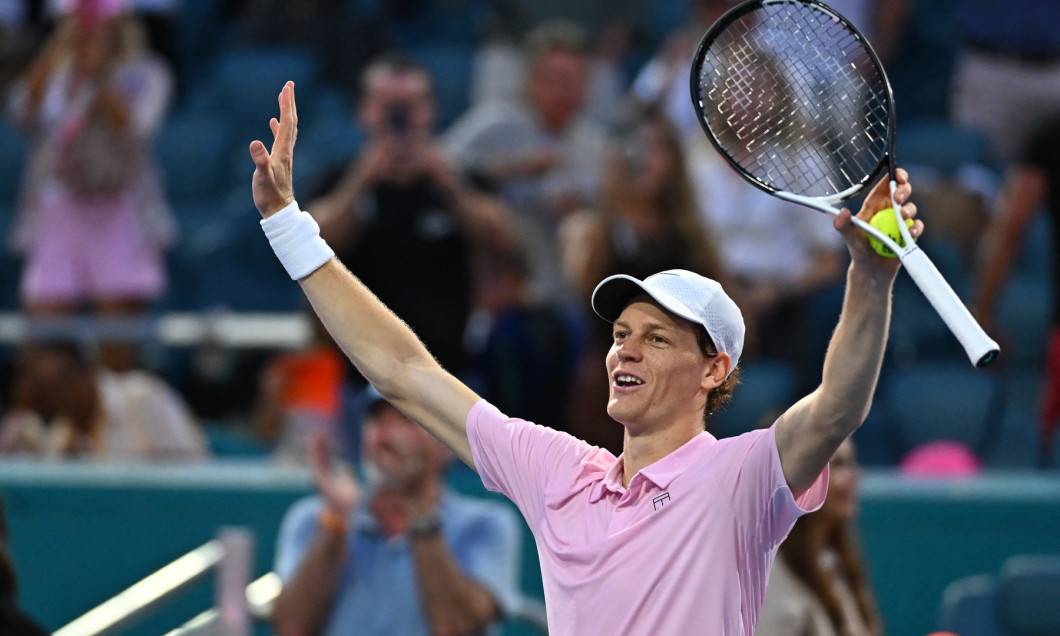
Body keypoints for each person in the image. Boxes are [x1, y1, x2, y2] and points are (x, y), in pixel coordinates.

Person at [249, 80, 921, 634]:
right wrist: (289, 227)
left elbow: (837, 405)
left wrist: (868, 277)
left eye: (656, 338)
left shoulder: (742, 479)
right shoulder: (558, 472)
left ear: (713, 370)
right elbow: (403, 373)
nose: (625, 349)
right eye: (621, 333)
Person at [309, 51, 515, 396]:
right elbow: (311, 246)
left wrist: (450, 185)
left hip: (450, 375)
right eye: (387, 105)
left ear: (431, 111)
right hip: (362, 377)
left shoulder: (460, 178)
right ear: (364, 112)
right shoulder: (339, 180)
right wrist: (361, 182)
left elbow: (504, 242)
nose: (399, 118)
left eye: (410, 105)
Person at [270, 389, 523, 636]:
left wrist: (415, 502)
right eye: (378, 421)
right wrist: (335, 521)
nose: (388, 435)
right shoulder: (314, 519)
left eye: (407, 421)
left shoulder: (486, 524)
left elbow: (455, 626)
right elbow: (292, 627)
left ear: (446, 445)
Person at [6, 5, 175, 371]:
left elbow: (134, 129)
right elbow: (23, 112)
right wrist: (56, 52)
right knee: (45, 349)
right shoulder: (56, 74)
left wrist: (98, 74)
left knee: (116, 351)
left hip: (121, 214)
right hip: (59, 213)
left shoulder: (147, 74)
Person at [559, 104, 730, 453]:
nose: (645, 159)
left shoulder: (693, 237)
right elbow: (581, 287)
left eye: (656, 148)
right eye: (635, 148)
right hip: (610, 373)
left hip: (682, 377)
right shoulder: (593, 229)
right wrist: (616, 200)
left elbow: (727, 322)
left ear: (673, 161)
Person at [445, 19, 608, 300]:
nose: (563, 91)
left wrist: (580, 205)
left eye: (572, 80)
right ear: (531, 81)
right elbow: (441, 163)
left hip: (571, 277)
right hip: (502, 269)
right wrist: (513, 168)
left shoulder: (595, 144)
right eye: (553, 80)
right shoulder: (497, 122)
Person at [973, 112, 1060, 466]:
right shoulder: (1050, 137)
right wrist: (982, 312)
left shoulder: (1050, 135)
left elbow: (1011, 229)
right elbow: (1011, 229)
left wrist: (983, 312)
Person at [0, 340, 209, 461]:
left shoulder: (144, 395)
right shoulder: (48, 428)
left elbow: (197, 467)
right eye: (48, 394)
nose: (59, 398)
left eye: (63, 384)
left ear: (86, 372)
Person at [755, 439, 883, 636]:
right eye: (839, 465)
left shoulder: (837, 558)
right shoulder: (771, 572)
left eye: (852, 463)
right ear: (800, 476)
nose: (854, 476)